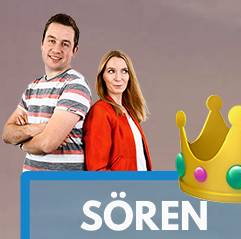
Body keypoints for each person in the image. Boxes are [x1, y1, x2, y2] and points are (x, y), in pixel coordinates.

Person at [3, 14, 90, 171]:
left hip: (63, 188)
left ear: (74, 50)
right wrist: (36, 128)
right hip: (33, 187)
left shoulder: (75, 85)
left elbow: (47, 143)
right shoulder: (33, 87)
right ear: (42, 44)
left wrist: (22, 143)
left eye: (65, 44)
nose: (56, 49)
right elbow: (7, 134)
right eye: (51, 40)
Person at [82, 48, 146, 170]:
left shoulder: (129, 112)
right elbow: (97, 170)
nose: (118, 78)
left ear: (129, 76)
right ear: (102, 77)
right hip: (121, 188)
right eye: (111, 71)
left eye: (124, 71)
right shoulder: (100, 112)